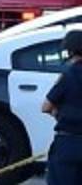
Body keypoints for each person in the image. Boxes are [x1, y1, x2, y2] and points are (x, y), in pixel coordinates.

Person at [43, 29, 82, 185]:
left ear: (70, 51)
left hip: (68, 142)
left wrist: (58, 113)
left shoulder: (68, 75)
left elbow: (46, 106)